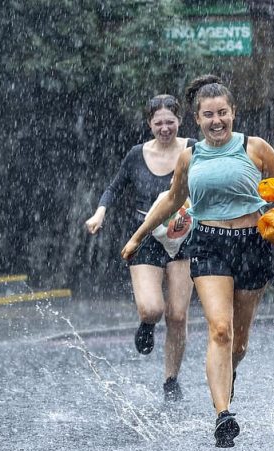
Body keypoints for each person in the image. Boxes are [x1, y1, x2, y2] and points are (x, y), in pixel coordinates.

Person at [121, 75, 274, 448]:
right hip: (209, 244)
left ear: (233, 113)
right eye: (208, 115)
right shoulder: (191, 156)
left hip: (253, 243)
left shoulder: (256, 148)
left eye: (222, 113)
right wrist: (139, 236)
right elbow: (171, 201)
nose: (216, 120)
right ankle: (223, 415)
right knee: (220, 329)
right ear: (197, 119)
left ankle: (227, 376)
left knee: (238, 343)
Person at [85, 94, 196, 401]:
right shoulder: (137, 154)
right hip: (145, 235)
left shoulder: (192, 150)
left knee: (177, 315)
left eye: (170, 122)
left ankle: (171, 380)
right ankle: (147, 324)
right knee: (153, 308)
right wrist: (100, 212)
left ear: (179, 121)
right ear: (149, 124)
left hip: (182, 236)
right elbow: (114, 187)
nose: (164, 128)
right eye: (158, 123)